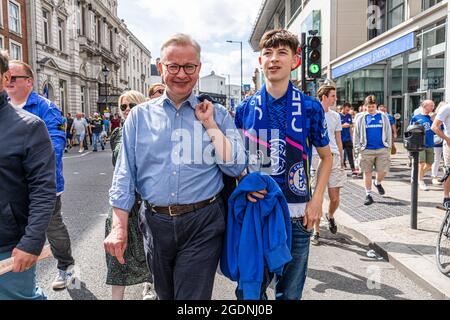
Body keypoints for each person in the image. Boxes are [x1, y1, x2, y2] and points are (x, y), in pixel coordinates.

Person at [105, 33, 246, 300]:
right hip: (155, 222)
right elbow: (124, 174)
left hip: (203, 221)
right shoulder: (138, 116)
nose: (181, 74)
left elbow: (235, 165)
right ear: (161, 68)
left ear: (198, 69)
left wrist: (211, 125)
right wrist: (119, 226)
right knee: (165, 294)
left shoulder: (219, 114)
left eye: (189, 67)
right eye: (173, 67)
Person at [234, 29, 332, 300]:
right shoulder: (244, 109)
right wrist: (243, 181)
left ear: (295, 61)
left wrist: (316, 201)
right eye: (268, 53)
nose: (274, 59)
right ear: (260, 61)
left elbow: (327, 157)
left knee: (289, 294)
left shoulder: (311, 107)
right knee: (249, 290)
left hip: (298, 215)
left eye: (282, 53)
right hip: (257, 211)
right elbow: (236, 158)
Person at [6, 60, 76, 290]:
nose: (9, 82)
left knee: (51, 227)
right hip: (11, 190)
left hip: (43, 184)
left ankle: (66, 265)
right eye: (7, 77)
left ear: (29, 81)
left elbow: (54, 146)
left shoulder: (46, 108)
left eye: (14, 78)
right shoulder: (3, 106)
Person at [0, 50, 56, 299]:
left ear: (5, 79)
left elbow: (43, 191)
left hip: (8, 245)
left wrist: (31, 243)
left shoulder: (30, 126)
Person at [105, 90, 155, 300]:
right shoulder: (117, 133)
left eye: (132, 105)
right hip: (123, 201)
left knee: (148, 249)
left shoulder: (152, 133)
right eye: (123, 106)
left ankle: (149, 284)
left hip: (145, 200)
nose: (127, 110)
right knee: (117, 252)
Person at [310, 85, 345, 245]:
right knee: (316, 197)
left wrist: (342, 158)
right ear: (324, 97)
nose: (335, 99)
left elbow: (338, 139)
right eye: (332, 96)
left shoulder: (336, 116)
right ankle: (316, 231)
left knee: (335, 198)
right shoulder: (312, 113)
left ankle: (330, 216)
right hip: (317, 157)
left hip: (334, 157)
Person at [354, 95, 392, 205]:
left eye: (373, 106)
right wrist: (358, 148)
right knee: (367, 172)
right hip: (366, 150)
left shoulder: (383, 116)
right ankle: (368, 194)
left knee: (383, 171)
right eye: (369, 106)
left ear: (376, 106)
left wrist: (388, 146)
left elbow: (388, 131)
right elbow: (356, 134)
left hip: (382, 148)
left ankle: (378, 182)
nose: (371, 108)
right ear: (365, 106)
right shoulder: (361, 117)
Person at [410, 100, 435, 191]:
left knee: (429, 164)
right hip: (420, 144)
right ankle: (421, 181)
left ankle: (417, 176)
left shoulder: (432, 117)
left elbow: (438, 128)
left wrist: (434, 119)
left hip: (430, 143)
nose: (433, 107)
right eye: (431, 105)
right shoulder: (416, 117)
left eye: (433, 105)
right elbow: (411, 130)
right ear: (425, 106)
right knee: (421, 163)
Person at [432, 103, 450, 206]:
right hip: (449, 145)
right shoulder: (447, 107)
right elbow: (434, 127)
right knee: (449, 171)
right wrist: (447, 139)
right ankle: (446, 197)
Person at [340, 102, 358, 177]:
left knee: (350, 154)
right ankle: (340, 168)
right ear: (343, 108)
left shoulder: (349, 116)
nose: (347, 111)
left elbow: (350, 127)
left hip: (347, 139)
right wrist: (342, 126)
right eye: (346, 110)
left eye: (348, 110)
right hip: (340, 139)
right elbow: (335, 127)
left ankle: (353, 169)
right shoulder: (337, 116)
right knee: (340, 155)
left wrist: (351, 137)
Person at [431, 102, 446, 185]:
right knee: (436, 160)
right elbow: (433, 128)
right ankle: (434, 177)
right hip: (437, 141)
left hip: (446, 141)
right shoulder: (434, 117)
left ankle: (446, 176)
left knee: (446, 161)